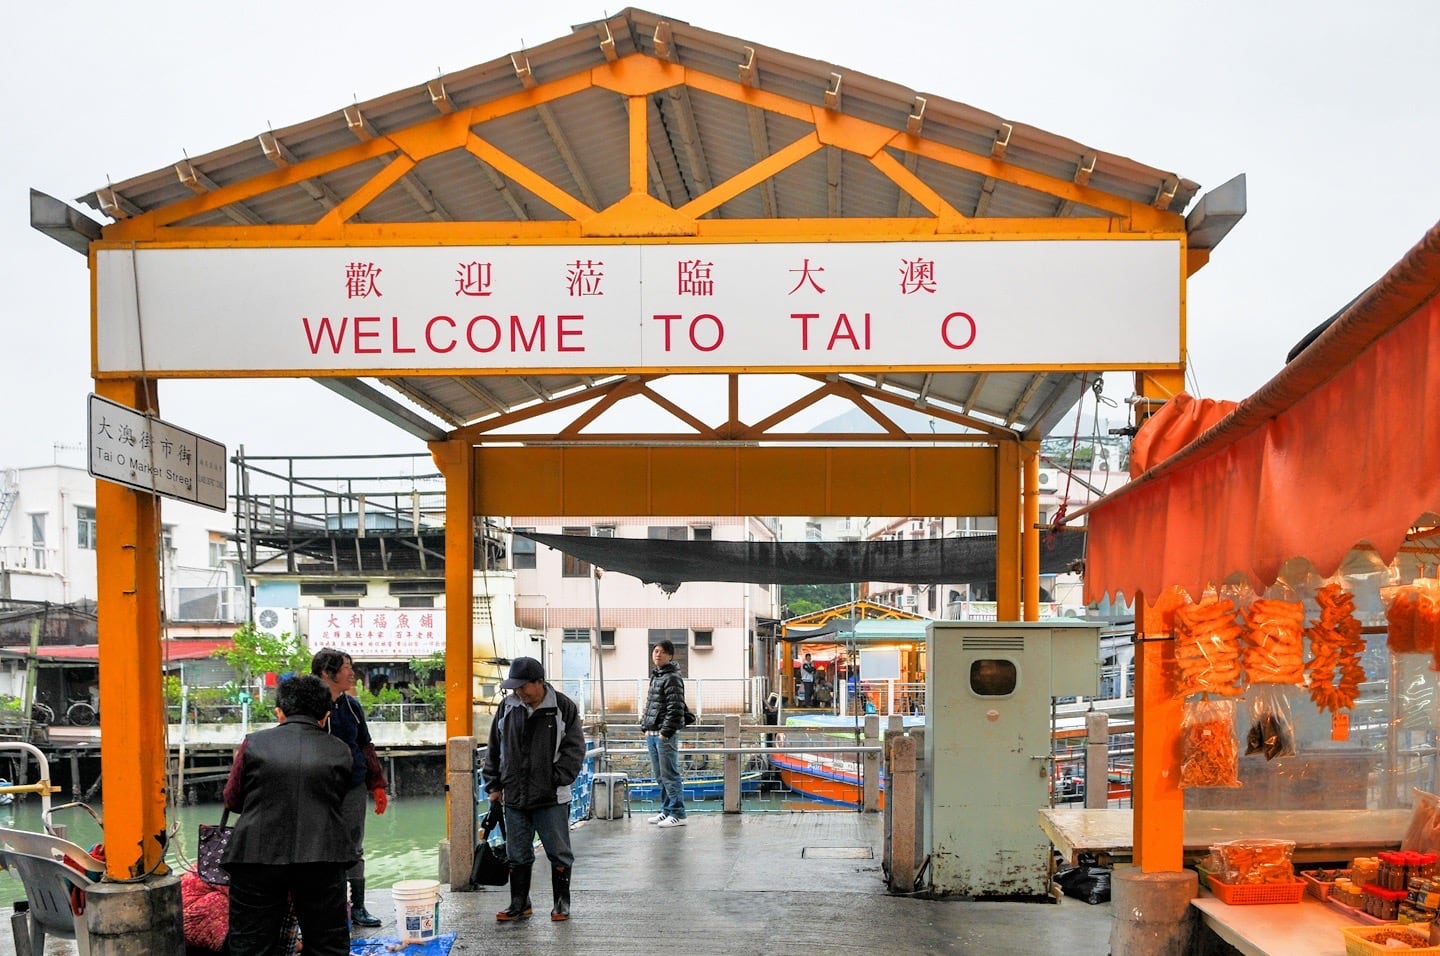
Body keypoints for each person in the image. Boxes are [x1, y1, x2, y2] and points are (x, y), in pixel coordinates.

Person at [222, 675, 355, 956]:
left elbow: (232, 800)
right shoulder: (340, 751)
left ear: (280, 712)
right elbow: (335, 801)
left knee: (251, 943)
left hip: (256, 856)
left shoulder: (253, 744)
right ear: (325, 715)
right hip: (323, 855)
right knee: (327, 943)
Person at [481, 656, 585, 922]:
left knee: (559, 852)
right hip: (514, 794)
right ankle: (519, 903)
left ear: (539, 682)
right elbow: (495, 748)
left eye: (524, 686)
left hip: (551, 796)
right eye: (515, 687)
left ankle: (561, 904)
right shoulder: (508, 706)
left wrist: (554, 778)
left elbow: (574, 750)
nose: (519, 692)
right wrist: (493, 784)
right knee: (518, 854)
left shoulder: (563, 707)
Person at [311, 647, 389, 928]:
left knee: (353, 846)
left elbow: (365, 745)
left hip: (352, 786)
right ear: (326, 672)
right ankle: (325, 907)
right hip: (318, 788)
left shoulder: (352, 706)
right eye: (346, 667)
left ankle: (357, 907)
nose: (351, 672)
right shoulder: (309, 704)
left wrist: (377, 784)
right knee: (318, 845)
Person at [641, 640, 688, 828]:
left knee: (670, 774)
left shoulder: (672, 678)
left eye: (661, 652)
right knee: (660, 775)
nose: (657, 654)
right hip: (652, 733)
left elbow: (675, 708)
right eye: (655, 651)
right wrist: (645, 727)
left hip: (663, 734)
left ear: (670, 655)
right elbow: (650, 704)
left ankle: (678, 813)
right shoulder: (656, 676)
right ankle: (667, 810)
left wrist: (665, 732)